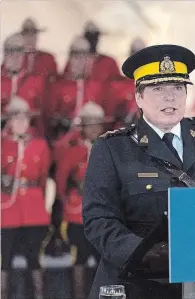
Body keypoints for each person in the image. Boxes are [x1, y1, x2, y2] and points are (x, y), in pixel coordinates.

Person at [82, 44, 195, 299]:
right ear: (139, 97)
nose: (169, 97)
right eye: (158, 89)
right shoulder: (113, 149)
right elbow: (99, 221)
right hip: (144, 282)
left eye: (177, 88)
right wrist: (144, 254)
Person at [55, 102, 110, 298]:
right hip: (77, 214)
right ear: (82, 127)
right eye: (90, 124)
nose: (94, 128)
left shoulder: (110, 149)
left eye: (98, 124)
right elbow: (61, 183)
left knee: (103, 259)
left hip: (104, 215)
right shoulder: (72, 151)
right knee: (79, 258)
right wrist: (70, 203)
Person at [1, 97, 52, 299]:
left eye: (24, 118)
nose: (21, 123)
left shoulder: (40, 145)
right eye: (16, 119)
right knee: (5, 257)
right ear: (9, 122)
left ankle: (38, 295)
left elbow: (43, 178)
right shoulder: (2, 144)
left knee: (34, 257)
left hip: (33, 208)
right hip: (7, 207)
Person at [46, 36, 106, 141]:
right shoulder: (58, 86)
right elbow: (50, 116)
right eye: (76, 57)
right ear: (70, 59)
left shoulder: (97, 86)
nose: (80, 62)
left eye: (84, 58)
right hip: (66, 141)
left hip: (91, 141)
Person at [1, 33, 46, 135]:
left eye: (19, 52)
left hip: (28, 136)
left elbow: (42, 114)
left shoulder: (36, 80)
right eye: (11, 52)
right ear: (5, 54)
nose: (15, 57)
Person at [104, 38, 147, 128]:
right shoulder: (117, 86)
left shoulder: (153, 85)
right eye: (134, 54)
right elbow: (109, 116)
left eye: (142, 57)